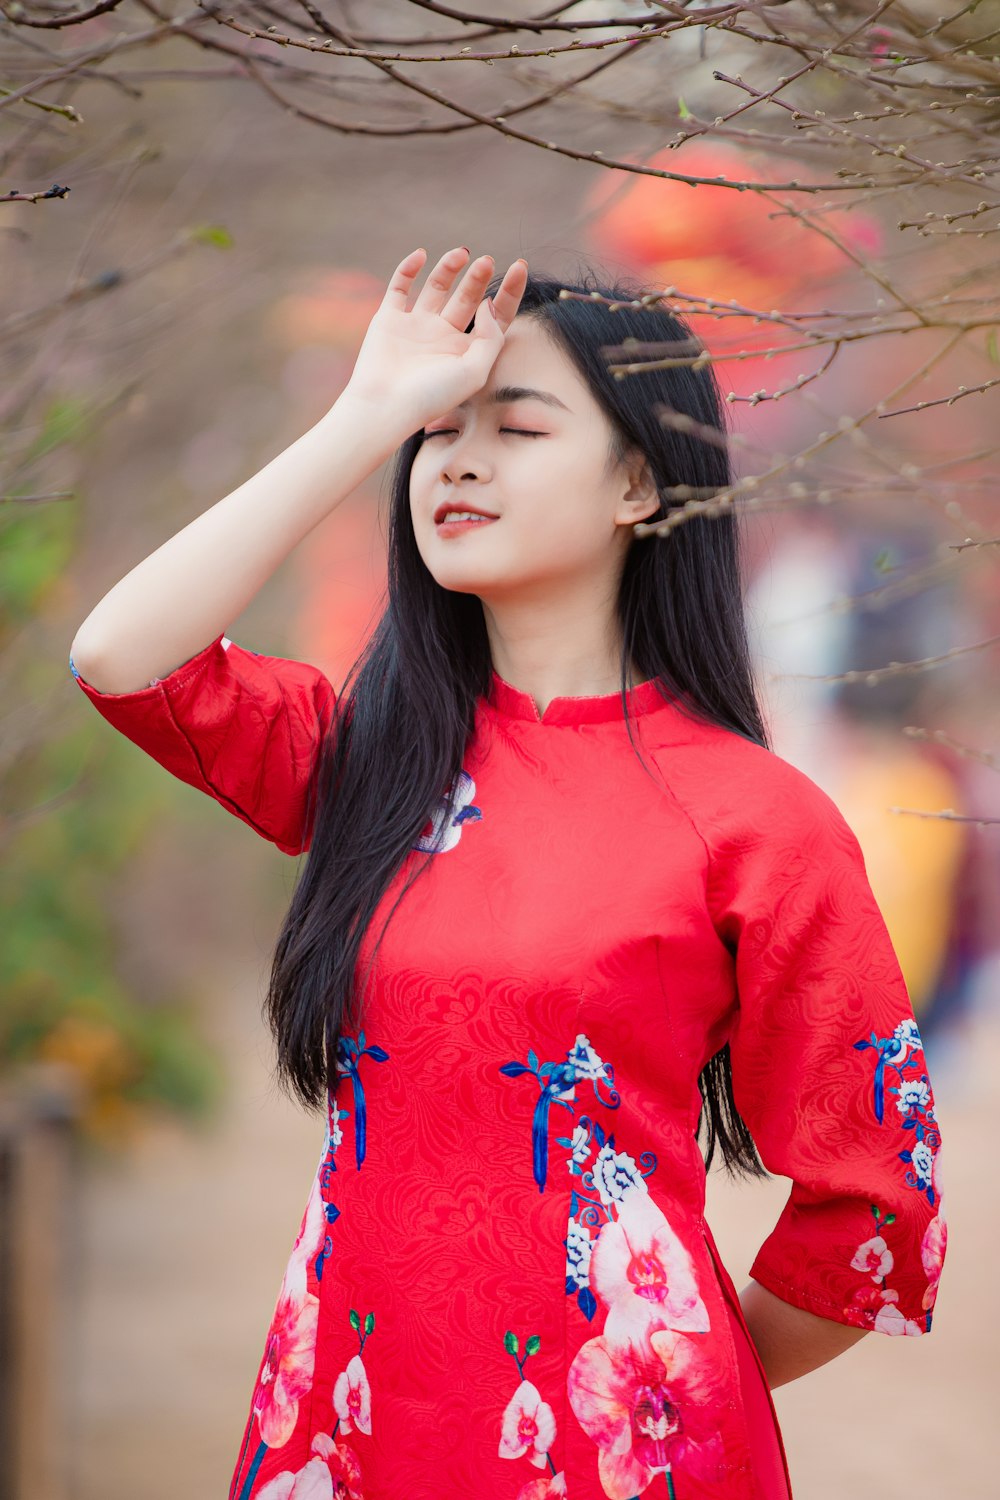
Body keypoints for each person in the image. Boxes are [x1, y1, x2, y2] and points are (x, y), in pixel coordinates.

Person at [69, 246, 946, 1500]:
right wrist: (363, 419)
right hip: (351, 1425)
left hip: (618, 1450)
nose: (457, 460)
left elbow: (876, 1210)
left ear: (640, 481)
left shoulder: (759, 823)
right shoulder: (371, 764)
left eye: (515, 426)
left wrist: (671, 1367)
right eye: (439, 434)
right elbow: (119, 658)